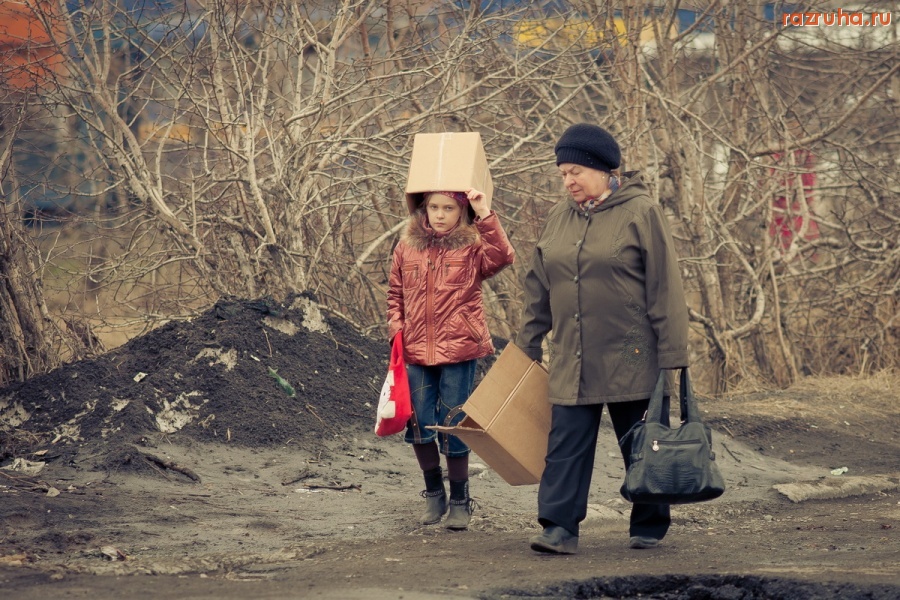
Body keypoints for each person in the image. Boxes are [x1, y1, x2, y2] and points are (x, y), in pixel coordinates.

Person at [515, 123, 690, 554]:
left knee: (642, 441)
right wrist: (528, 343)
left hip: (632, 351)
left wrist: (673, 353)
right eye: (562, 174)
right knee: (565, 445)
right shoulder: (559, 217)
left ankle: (648, 523)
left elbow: (665, 285)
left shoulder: (641, 212)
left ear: (604, 169)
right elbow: (539, 283)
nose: (568, 181)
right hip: (573, 353)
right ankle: (559, 527)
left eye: (575, 170)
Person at [387, 187, 515, 530]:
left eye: (448, 208)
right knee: (418, 421)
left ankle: (460, 498)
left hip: (459, 348)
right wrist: (396, 332)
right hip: (414, 350)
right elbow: (395, 294)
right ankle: (433, 492)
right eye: (434, 207)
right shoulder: (406, 246)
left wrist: (484, 211)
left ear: (461, 212)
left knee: (454, 422)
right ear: (423, 209)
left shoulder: (472, 246)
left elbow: (503, 256)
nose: (440, 214)